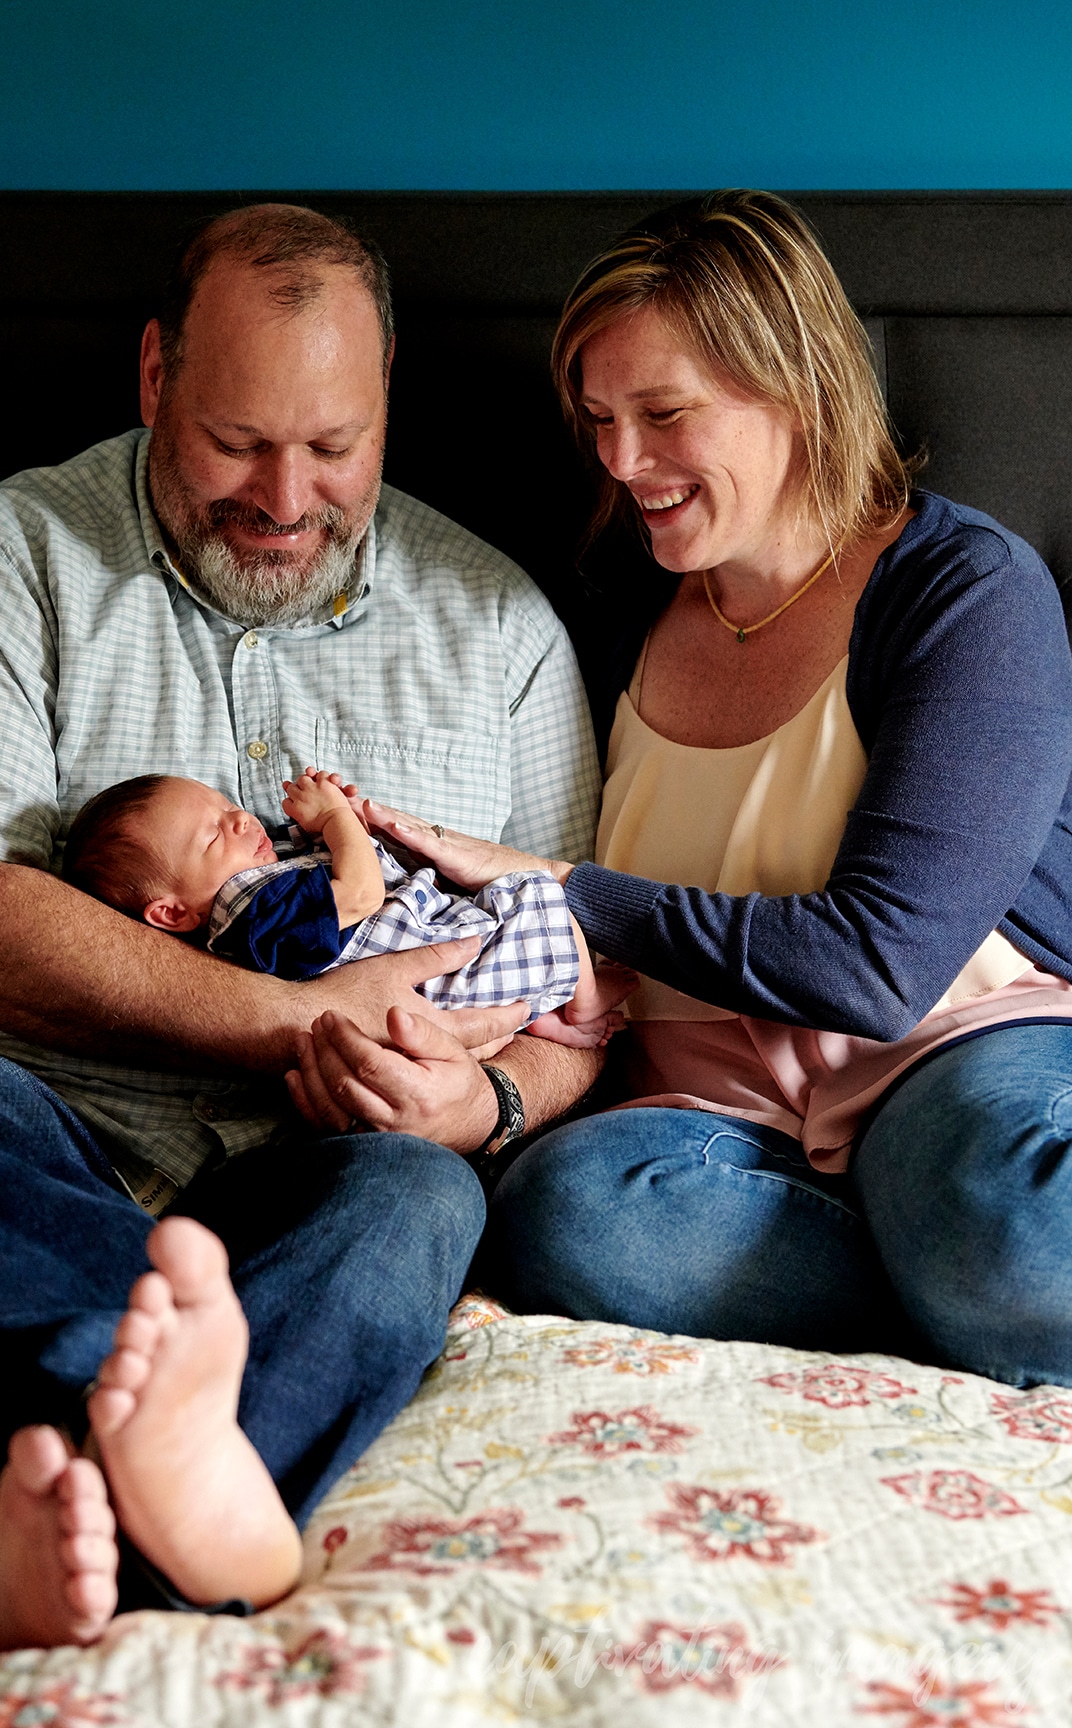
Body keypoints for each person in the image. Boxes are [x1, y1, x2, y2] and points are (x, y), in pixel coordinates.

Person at [0, 201, 600, 1648]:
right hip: (32, 1128)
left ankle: (63, 1551)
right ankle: (170, 1454)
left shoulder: (504, 636)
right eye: (237, 444)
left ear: (390, 396)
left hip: (325, 1169)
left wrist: (481, 1099)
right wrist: (299, 1016)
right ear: (157, 375)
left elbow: (586, 1008)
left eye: (334, 448)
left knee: (420, 1206)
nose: (287, 498)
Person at [303, 189, 1072, 1393]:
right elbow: (547, 959)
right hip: (712, 1122)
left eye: (663, 414)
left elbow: (879, 969)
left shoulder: (963, 591)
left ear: (799, 389)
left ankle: (979, 1254)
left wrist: (571, 890)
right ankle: (958, 1287)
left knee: (1016, 1219)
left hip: (943, 1055)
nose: (619, 460)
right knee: (569, 1214)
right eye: (600, 418)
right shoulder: (615, 614)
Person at [63, 769, 630, 1047]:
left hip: (442, 970)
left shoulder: (257, 886)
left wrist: (338, 815)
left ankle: (551, 1021)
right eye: (212, 836)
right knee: (535, 889)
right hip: (444, 976)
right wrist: (334, 820)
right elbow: (360, 895)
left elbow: (341, 869)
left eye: (226, 806)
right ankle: (584, 1003)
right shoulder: (256, 913)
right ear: (172, 914)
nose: (239, 820)